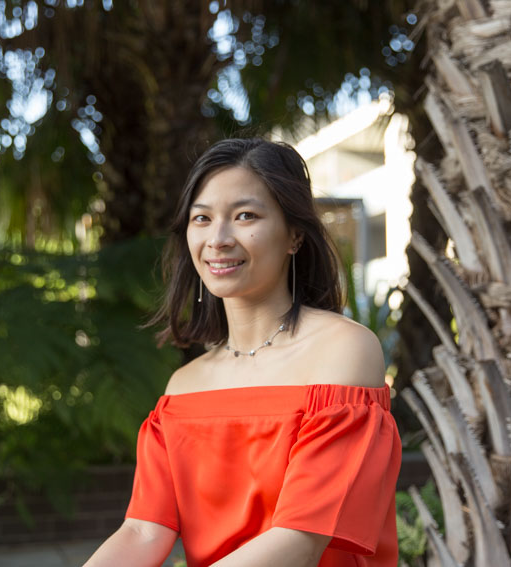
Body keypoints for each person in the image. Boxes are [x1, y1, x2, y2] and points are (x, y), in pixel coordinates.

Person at [82, 138, 401, 567]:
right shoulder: (184, 385)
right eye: (202, 218)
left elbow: (300, 541)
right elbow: (143, 531)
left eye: (245, 216)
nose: (218, 238)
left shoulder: (343, 350)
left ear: (294, 235)